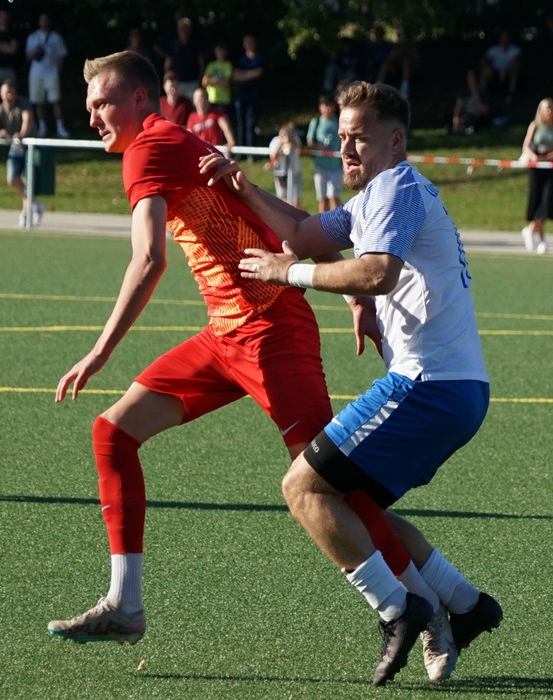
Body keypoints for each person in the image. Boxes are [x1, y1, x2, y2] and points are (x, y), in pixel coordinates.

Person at [46, 52, 471, 685]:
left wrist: (101, 350)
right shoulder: (170, 141)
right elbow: (279, 225)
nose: (93, 118)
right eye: (88, 107)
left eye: (102, 103)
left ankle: (435, 607)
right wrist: (352, 294)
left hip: (271, 330)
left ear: (140, 100)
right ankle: (125, 604)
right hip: (227, 332)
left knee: (330, 491)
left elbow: (149, 259)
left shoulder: (147, 148)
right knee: (113, 432)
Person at [206, 80, 502, 685]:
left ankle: (400, 611)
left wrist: (290, 274)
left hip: (427, 387)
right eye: (341, 136)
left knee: (302, 489)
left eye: (359, 137)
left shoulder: (395, 187)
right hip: (454, 389)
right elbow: (305, 232)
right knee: (354, 508)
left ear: (395, 142)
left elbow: (377, 272)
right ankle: (465, 604)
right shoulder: (377, 196)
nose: (345, 148)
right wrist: (247, 190)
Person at [0, 79, 42, 228]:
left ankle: (25, 213)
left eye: (11, 92)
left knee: (28, 180)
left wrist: (21, 134)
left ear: (15, 93)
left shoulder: (23, 103)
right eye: (6, 93)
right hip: (16, 148)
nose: (9, 96)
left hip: (30, 146)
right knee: (12, 179)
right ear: (1, 94)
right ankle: (35, 204)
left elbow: (27, 119)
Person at [25, 12, 69, 138]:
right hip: (36, 74)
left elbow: (61, 55)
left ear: (49, 21)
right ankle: (42, 128)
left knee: (56, 101)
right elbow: (27, 56)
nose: (44, 22)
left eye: (46, 19)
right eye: (42, 19)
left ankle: (60, 127)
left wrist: (58, 72)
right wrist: (35, 52)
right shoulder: (32, 37)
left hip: (52, 73)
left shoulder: (56, 37)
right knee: (39, 102)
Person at [520, 98, 553, 254]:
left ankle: (530, 229)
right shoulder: (535, 125)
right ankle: (541, 239)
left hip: (550, 166)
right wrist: (534, 156)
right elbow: (526, 146)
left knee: (546, 202)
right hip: (536, 166)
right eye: (546, 108)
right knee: (536, 200)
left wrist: (546, 158)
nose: (549, 111)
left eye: (551, 108)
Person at [306, 93, 342, 212]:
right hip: (320, 166)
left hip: (335, 166)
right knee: (323, 198)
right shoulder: (316, 122)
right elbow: (310, 142)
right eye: (326, 106)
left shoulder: (339, 122)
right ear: (320, 107)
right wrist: (320, 147)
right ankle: (322, 222)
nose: (328, 109)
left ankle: (336, 222)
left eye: (330, 105)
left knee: (334, 197)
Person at [159, 16, 203, 98]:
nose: (183, 31)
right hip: (177, 83)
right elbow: (168, 64)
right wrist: (168, 81)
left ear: (189, 30)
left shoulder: (195, 45)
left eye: (186, 28)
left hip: (192, 82)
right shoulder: (173, 46)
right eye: (181, 29)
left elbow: (201, 64)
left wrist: (199, 80)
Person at [233, 34, 263, 150]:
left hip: (254, 94)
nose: (248, 44)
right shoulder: (241, 59)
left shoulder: (259, 58)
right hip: (241, 94)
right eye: (246, 42)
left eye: (250, 41)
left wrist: (244, 75)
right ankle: (241, 150)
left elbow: (259, 72)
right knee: (241, 123)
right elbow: (236, 76)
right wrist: (250, 74)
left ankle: (251, 150)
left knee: (250, 123)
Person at [186, 86, 234, 156]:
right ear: (194, 101)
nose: (201, 100)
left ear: (208, 99)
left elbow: (226, 128)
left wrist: (230, 142)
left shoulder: (217, 113)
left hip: (214, 153)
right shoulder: (192, 117)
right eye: (198, 98)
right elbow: (189, 137)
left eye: (203, 97)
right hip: (199, 153)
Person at [449, 67, 494, 135]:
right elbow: (458, 108)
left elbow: (485, 111)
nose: (469, 80)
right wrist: (456, 119)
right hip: (467, 117)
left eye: (471, 78)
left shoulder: (482, 92)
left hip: (479, 118)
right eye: (468, 78)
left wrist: (475, 96)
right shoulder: (464, 92)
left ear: (476, 78)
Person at [482, 29, 521, 105]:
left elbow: (516, 63)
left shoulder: (515, 50)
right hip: (495, 71)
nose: (504, 39)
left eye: (506, 37)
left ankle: (510, 95)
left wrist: (505, 70)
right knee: (484, 71)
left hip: (508, 72)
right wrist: (487, 66)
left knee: (514, 71)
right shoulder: (494, 49)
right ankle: (482, 94)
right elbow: (484, 60)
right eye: (503, 37)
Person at [269, 122, 302, 208]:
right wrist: (281, 142)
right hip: (281, 173)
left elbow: (296, 147)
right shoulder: (275, 141)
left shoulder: (295, 139)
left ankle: (295, 215)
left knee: (296, 199)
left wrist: (290, 139)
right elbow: (273, 156)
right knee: (283, 198)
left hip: (295, 173)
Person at [201, 41, 233, 115]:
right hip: (210, 99)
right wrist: (218, 81)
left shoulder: (228, 65)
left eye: (221, 51)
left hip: (223, 100)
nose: (219, 53)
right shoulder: (211, 65)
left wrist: (212, 80)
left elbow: (226, 83)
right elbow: (204, 82)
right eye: (218, 51)